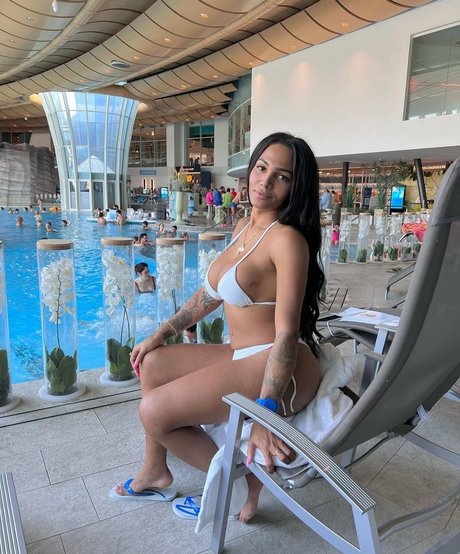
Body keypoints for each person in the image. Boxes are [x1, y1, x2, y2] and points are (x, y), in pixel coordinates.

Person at [111, 132, 324, 524]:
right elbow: (209, 295)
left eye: (282, 176)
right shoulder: (244, 226)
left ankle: (239, 484)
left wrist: (263, 415)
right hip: (241, 353)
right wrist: (162, 332)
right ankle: (156, 471)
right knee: (152, 363)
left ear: (296, 187)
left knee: (153, 413)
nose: (265, 181)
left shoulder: (287, 240)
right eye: (262, 168)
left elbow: (286, 333)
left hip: (278, 366)